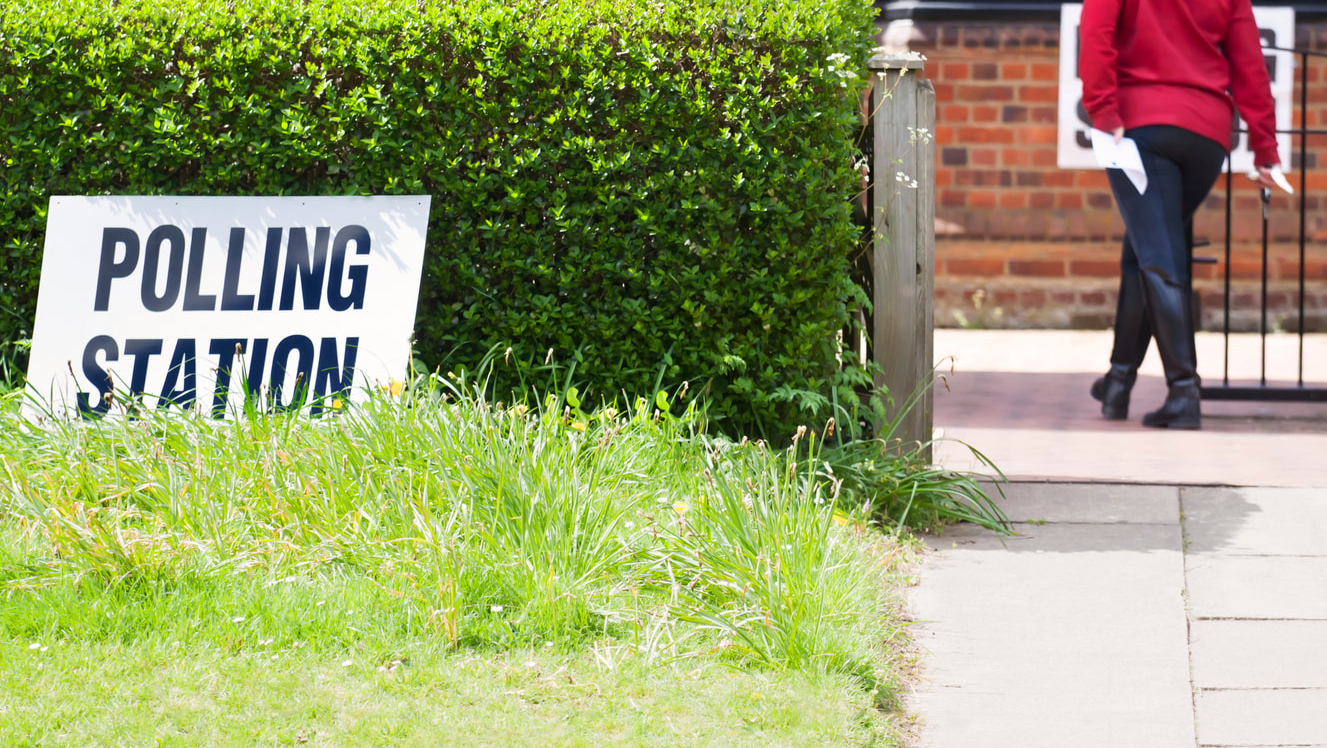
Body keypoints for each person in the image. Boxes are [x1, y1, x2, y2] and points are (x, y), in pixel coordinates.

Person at [1079, 0, 1283, 429]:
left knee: (1156, 256)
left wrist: (1103, 108)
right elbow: (1249, 63)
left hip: (1140, 127)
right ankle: (1117, 382)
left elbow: (1095, 32)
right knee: (1145, 248)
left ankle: (1184, 392)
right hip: (1207, 136)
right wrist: (1265, 147)